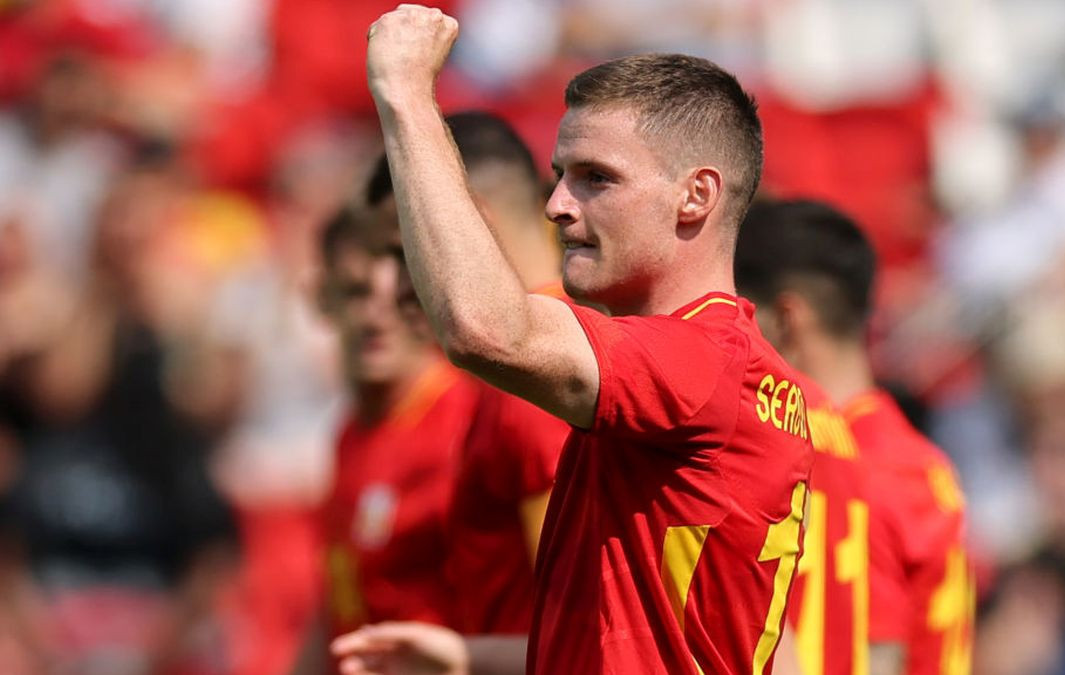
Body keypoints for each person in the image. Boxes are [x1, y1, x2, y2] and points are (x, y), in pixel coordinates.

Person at [333, 6, 817, 674]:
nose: (558, 203)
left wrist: (407, 96)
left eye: (597, 178)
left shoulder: (697, 360)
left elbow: (485, 329)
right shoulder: (738, 375)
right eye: (560, 175)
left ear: (695, 197)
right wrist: (468, 655)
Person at [734, 199, 973, 675]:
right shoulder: (922, 463)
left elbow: (876, 658)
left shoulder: (826, 454)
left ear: (787, 318)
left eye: (740, 312)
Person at [368, 110, 571, 641]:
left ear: (469, 222)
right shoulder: (541, 359)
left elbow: (580, 627)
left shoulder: (537, 382)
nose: (387, 287)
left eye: (402, 247)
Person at [292, 208, 479, 673]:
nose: (378, 318)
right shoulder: (351, 433)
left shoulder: (468, 423)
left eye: (402, 295)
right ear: (319, 298)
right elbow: (338, 600)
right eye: (357, 293)